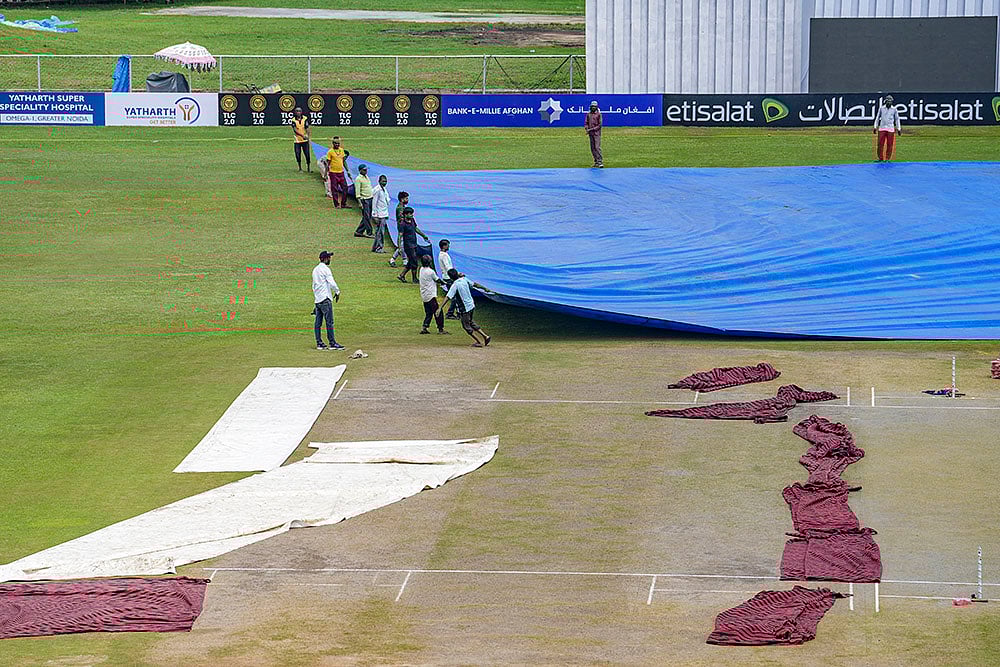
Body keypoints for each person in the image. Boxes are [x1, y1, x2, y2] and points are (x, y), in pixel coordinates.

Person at [441, 268, 490, 347]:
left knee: (466, 326)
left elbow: (448, 297)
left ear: (450, 277)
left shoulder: (455, 285)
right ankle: (485, 336)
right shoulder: (464, 279)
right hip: (471, 305)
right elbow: (475, 284)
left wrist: (440, 307)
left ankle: (478, 341)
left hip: (464, 308)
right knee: (470, 322)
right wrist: (484, 288)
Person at [312, 250, 344, 350]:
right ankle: (332, 343)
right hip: (325, 299)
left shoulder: (315, 270)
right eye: (329, 257)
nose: (330, 259)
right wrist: (337, 291)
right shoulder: (326, 269)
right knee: (329, 322)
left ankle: (319, 343)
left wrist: (316, 298)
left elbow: (314, 286)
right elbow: (331, 282)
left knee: (318, 323)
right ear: (325, 259)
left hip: (318, 300)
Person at [396, 206, 430, 284]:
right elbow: (400, 236)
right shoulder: (402, 224)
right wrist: (399, 247)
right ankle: (414, 278)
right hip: (408, 246)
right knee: (414, 261)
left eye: (412, 214)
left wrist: (423, 235)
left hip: (414, 243)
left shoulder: (412, 220)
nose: (412, 215)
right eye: (410, 214)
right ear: (405, 214)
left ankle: (402, 275)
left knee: (411, 261)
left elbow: (415, 229)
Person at [418, 255, 449, 335]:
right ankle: (440, 329)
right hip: (431, 294)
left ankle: (425, 327)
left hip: (424, 294)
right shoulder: (431, 272)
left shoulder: (421, 269)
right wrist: (445, 283)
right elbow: (437, 280)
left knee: (429, 312)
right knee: (438, 311)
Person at [873, 95, 901, 162]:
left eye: (890, 101)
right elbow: (877, 118)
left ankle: (887, 159)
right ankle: (880, 158)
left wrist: (899, 128)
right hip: (882, 128)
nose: (889, 102)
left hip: (890, 129)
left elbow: (897, 119)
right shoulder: (881, 108)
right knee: (880, 144)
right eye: (888, 101)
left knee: (890, 144)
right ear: (885, 101)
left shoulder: (894, 109)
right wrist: (875, 127)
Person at [323, 136, 349, 208]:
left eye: (338, 143)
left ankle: (343, 203)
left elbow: (344, 161)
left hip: (341, 172)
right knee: (334, 189)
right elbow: (327, 164)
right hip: (333, 173)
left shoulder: (342, 150)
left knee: (345, 187)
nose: (337, 144)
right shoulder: (330, 152)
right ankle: (336, 204)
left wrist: (347, 170)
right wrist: (325, 174)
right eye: (335, 143)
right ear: (333, 143)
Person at [438, 239, 459, 320]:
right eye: (447, 245)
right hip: (449, 277)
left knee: (453, 295)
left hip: (446, 277)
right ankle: (450, 313)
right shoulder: (444, 256)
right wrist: (456, 274)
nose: (449, 246)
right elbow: (448, 267)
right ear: (444, 246)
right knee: (454, 296)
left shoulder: (441, 254)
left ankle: (453, 312)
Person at [371, 174, 391, 253]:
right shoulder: (377, 190)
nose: (384, 183)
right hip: (379, 214)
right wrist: (374, 215)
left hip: (384, 213)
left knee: (379, 232)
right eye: (383, 181)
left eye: (385, 181)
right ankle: (379, 248)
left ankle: (375, 247)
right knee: (380, 232)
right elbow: (374, 203)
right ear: (379, 181)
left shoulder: (384, 189)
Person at [353, 164, 374, 237]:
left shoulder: (366, 177)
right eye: (364, 170)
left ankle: (359, 231)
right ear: (360, 170)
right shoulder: (358, 179)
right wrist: (360, 203)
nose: (366, 171)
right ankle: (369, 232)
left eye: (366, 170)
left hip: (370, 198)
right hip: (364, 200)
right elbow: (357, 192)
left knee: (367, 216)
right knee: (367, 217)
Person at [389, 190, 409, 268]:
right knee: (402, 245)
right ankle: (399, 259)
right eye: (406, 198)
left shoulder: (402, 207)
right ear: (402, 199)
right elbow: (401, 218)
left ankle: (401, 259)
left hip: (402, 227)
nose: (407, 200)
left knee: (403, 244)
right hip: (402, 227)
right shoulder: (400, 208)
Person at [585, 100, 603, 168]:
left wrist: (591, 129)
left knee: (597, 147)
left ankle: (600, 162)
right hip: (591, 134)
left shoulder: (599, 114)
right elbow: (586, 123)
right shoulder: (588, 114)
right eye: (592, 106)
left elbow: (600, 125)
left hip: (597, 133)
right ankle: (596, 162)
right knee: (592, 148)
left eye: (594, 106)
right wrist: (586, 128)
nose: (593, 107)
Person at [291, 107, 311, 172]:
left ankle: (308, 168)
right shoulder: (293, 120)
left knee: (307, 154)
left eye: (299, 111)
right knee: (298, 154)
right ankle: (300, 168)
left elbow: (307, 128)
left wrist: (307, 135)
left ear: (301, 112)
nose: (298, 112)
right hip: (297, 141)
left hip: (305, 141)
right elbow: (295, 130)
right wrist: (302, 135)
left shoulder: (305, 118)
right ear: (295, 112)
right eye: (297, 111)